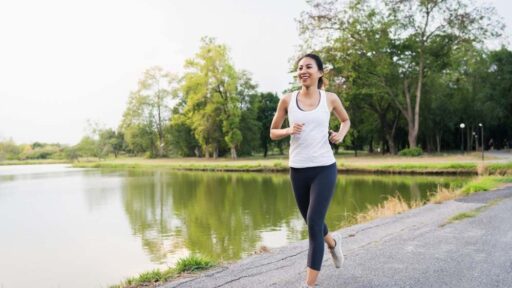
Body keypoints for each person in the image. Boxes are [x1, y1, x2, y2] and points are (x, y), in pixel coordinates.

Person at [270, 53, 351, 287]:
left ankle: (309, 284)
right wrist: (287, 130)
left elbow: (345, 121)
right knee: (311, 221)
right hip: (298, 170)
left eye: (308, 67)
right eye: (300, 67)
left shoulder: (330, 98)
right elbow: (273, 131)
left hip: (324, 167)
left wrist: (340, 135)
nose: (303, 71)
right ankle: (333, 243)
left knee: (314, 224)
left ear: (320, 72)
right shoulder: (287, 100)